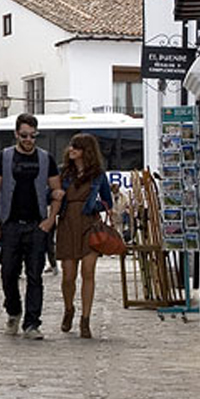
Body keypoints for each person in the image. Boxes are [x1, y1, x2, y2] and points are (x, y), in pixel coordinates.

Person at [0, 114, 63, 339]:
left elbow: (57, 192)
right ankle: (13, 310)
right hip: (10, 224)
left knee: (35, 275)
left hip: (36, 225)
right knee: (8, 272)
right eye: (24, 135)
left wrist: (50, 221)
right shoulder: (4, 157)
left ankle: (32, 323)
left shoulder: (45, 159)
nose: (28, 139)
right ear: (16, 134)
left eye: (32, 135)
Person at [55, 133, 114, 339]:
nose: (71, 150)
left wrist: (91, 206)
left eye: (76, 147)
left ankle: (85, 319)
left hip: (89, 224)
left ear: (86, 151)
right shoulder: (63, 173)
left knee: (88, 272)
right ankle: (69, 308)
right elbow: (50, 194)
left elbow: (108, 201)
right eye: (71, 146)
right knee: (68, 275)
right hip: (67, 223)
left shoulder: (98, 174)